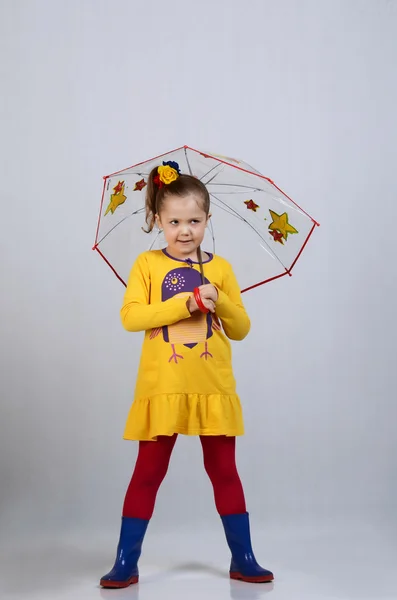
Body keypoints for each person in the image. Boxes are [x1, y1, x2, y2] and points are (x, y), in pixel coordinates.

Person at [100, 161, 274, 588]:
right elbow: (132, 317)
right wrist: (186, 304)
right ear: (158, 219)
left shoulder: (221, 269)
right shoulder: (146, 264)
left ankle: (244, 557)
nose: (184, 230)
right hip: (164, 389)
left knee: (224, 472)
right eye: (174, 221)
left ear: (207, 221)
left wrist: (221, 301)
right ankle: (126, 560)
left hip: (212, 388)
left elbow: (242, 328)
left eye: (194, 221)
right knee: (147, 473)